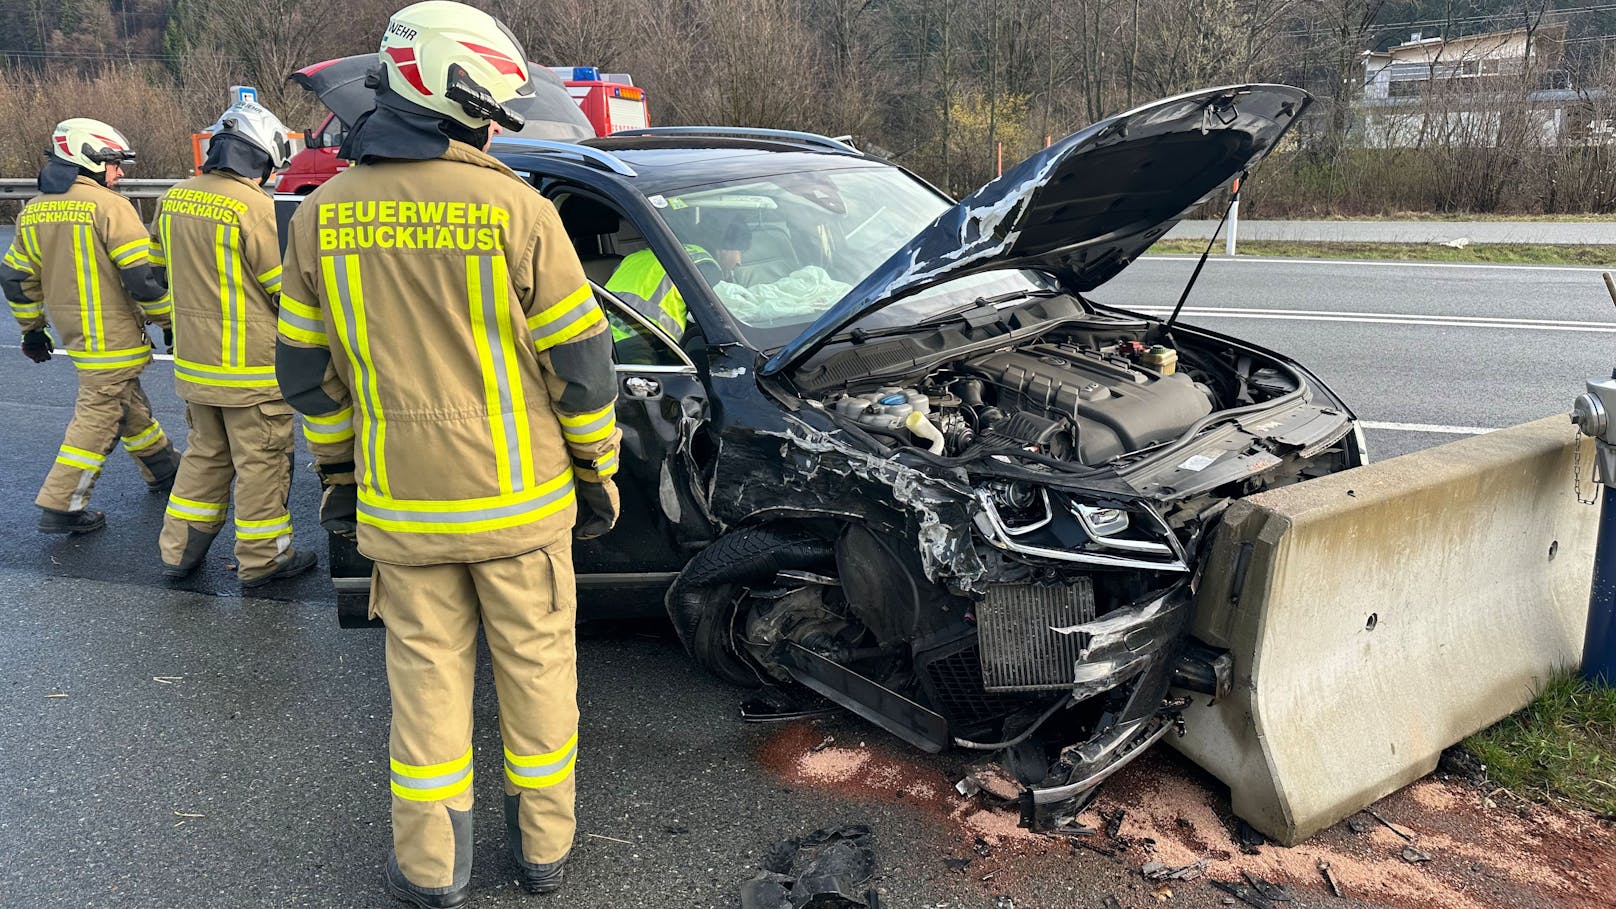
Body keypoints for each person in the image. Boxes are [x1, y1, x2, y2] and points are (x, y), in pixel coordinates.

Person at [274, 3, 620, 905]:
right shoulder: (518, 211)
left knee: (424, 693)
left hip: (405, 508)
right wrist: (598, 474)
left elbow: (309, 379)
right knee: (539, 679)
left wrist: (342, 479)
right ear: (463, 103)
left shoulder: (318, 218)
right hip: (521, 509)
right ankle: (542, 855)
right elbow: (583, 375)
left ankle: (433, 871)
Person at [152, 100, 319, 586]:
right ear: (261, 157)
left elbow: (157, 270)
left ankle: (177, 552)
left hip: (195, 367)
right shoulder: (254, 208)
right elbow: (283, 289)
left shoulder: (174, 198)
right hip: (251, 370)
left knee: (205, 459)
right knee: (261, 466)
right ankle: (265, 560)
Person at [1, 118, 178, 534]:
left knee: (124, 401)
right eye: (114, 163)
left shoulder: (35, 209)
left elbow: (15, 278)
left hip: (75, 334)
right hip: (112, 336)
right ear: (89, 160)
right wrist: (169, 321)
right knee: (97, 416)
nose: (120, 172)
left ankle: (164, 468)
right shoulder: (111, 207)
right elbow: (142, 277)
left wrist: (31, 330)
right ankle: (61, 504)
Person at [605, 219, 750, 341]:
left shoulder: (635, 258)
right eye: (740, 252)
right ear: (723, 248)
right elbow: (720, 321)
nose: (740, 262)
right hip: (645, 342)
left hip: (607, 337)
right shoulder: (704, 266)